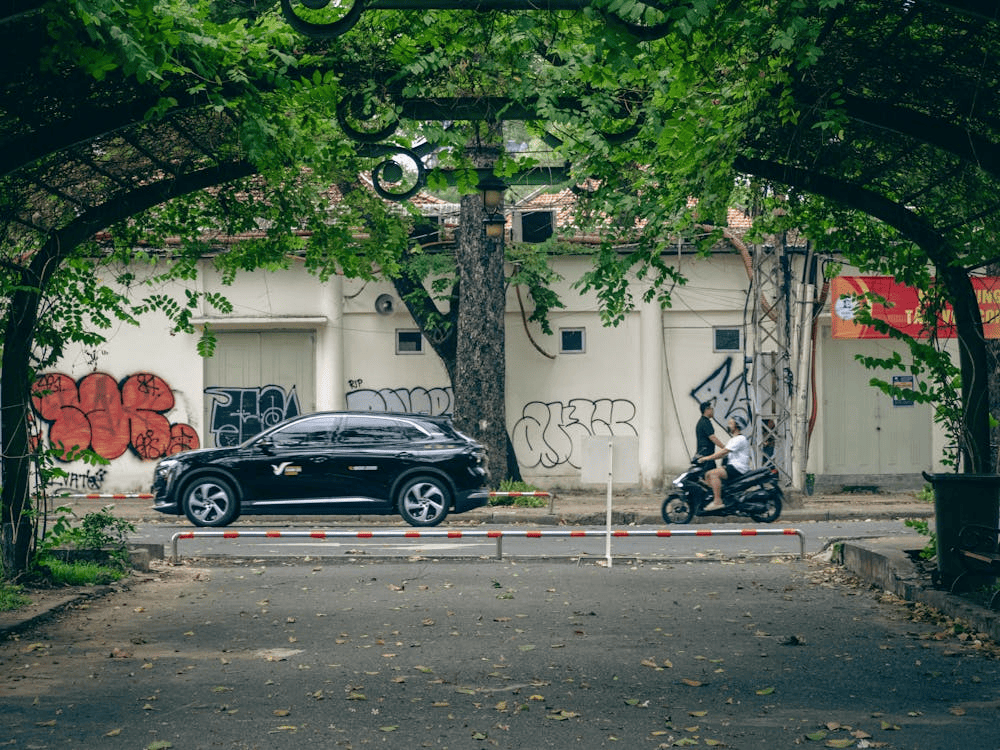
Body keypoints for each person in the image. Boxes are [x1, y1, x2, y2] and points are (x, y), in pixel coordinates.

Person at [698, 416, 751, 511]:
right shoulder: (734, 439)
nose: (728, 425)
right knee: (707, 474)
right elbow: (725, 455)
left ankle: (717, 501)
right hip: (733, 467)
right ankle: (720, 496)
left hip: (738, 468)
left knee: (713, 474)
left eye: (731, 423)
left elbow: (723, 452)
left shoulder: (739, 439)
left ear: (737, 426)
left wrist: (707, 458)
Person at [695, 401, 725, 467]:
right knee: (710, 475)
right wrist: (724, 448)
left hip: (704, 454)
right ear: (707, 410)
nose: (713, 411)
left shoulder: (702, 421)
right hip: (706, 455)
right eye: (711, 409)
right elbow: (713, 437)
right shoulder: (705, 422)